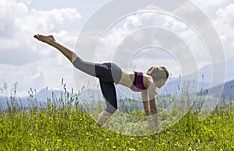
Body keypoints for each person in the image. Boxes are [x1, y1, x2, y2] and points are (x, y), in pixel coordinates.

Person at [33, 34, 169, 128]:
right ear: (161, 78)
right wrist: (157, 128)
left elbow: (147, 110)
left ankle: (95, 129)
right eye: (165, 81)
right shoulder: (150, 81)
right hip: (112, 72)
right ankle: (52, 41)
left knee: (111, 108)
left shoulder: (146, 86)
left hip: (109, 78)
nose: (163, 85)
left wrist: (151, 127)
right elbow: (153, 108)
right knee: (79, 63)